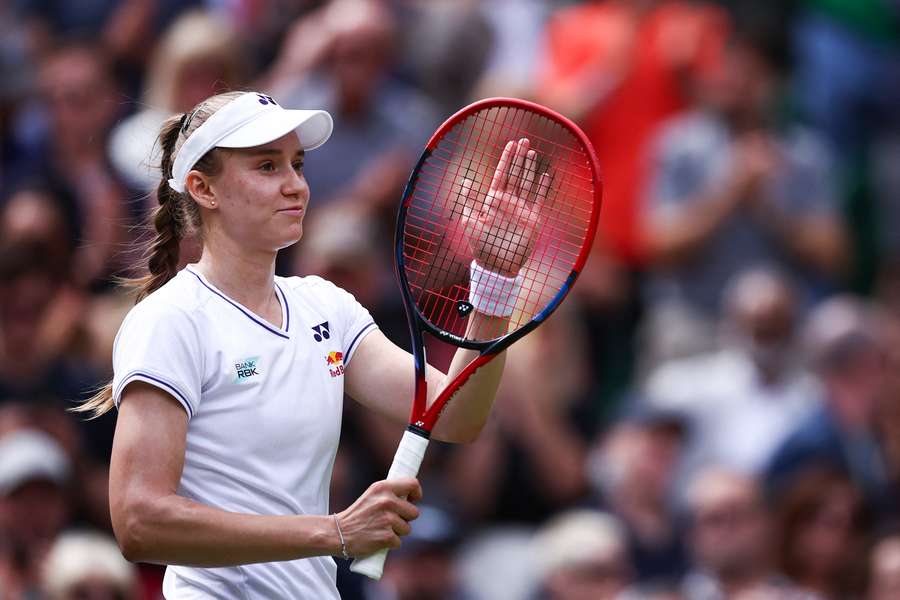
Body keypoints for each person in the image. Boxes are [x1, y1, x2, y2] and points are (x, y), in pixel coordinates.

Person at [75, 89, 544, 598]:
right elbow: (140, 521)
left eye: (297, 165)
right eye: (267, 167)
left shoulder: (327, 307)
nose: (295, 185)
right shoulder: (170, 320)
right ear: (202, 189)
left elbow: (456, 416)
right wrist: (336, 532)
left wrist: (494, 281)